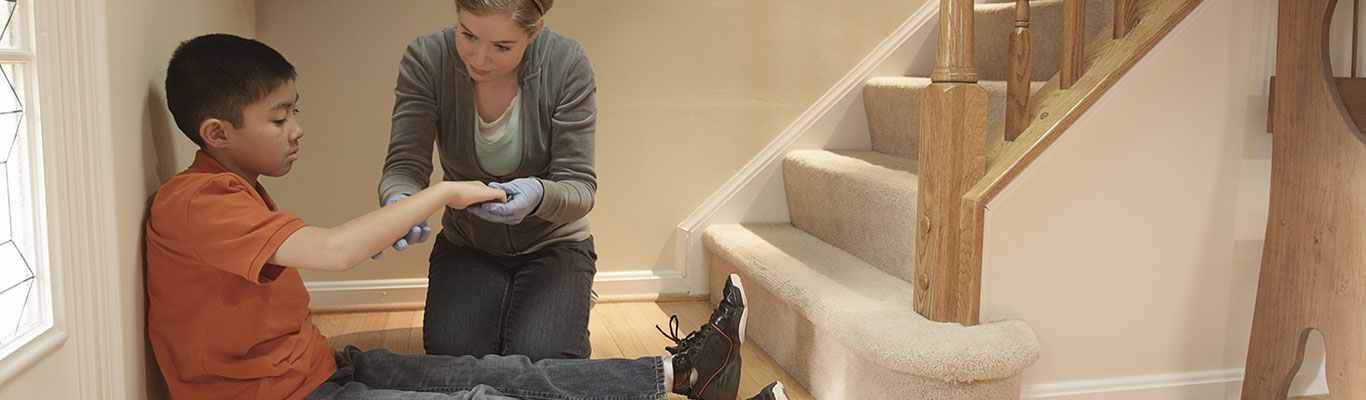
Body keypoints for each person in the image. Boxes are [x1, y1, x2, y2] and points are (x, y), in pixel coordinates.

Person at [145, 33, 787, 400]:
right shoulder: (197, 203)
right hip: (288, 396)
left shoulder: (225, 190)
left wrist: (534, 196)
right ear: (217, 132)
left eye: (294, 111)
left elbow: (581, 185)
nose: (298, 130)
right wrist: (437, 195)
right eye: (280, 118)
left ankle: (689, 371)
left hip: (317, 368)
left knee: (504, 372)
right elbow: (337, 250)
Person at [376, 0, 599, 361]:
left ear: (534, 32)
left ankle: (568, 296)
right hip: (469, 242)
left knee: (544, 356)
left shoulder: (567, 63)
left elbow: (580, 188)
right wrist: (400, 202)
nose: (479, 58)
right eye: (468, 35)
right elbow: (405, 164)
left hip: (553, 242)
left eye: (502, 46)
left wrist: (539, 194)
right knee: (454, 355)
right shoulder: (428, 58)